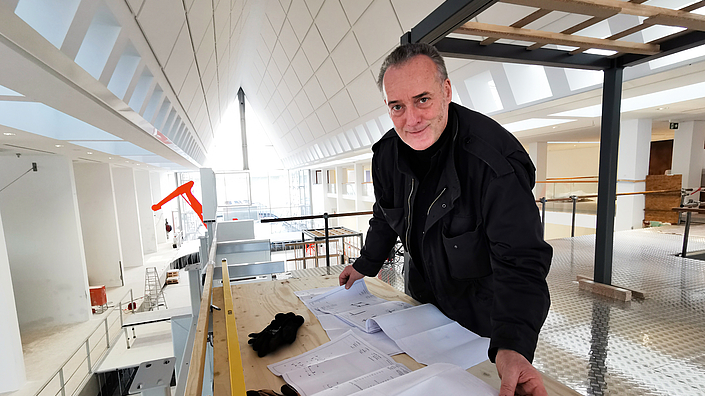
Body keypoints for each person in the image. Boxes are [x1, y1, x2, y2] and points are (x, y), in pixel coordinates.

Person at [339, 43, 552, 396]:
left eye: (422, 100)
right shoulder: (387, 156)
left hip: (481, 326)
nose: (411, 120)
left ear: (447, 91)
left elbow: (522, 260)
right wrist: (366, 263)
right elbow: (385, 214)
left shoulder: (492, 163)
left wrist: (512, 346)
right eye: (397, 106)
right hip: (423, 305)